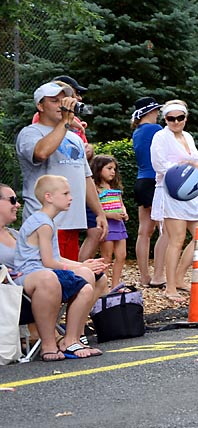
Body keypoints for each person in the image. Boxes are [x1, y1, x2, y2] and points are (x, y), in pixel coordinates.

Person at [14, 175, 108, 360]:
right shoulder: (43, 223)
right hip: (29, 274)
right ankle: (62, 341)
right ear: (49, 197)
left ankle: (72, 338)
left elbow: (55, 258)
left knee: (86, 274)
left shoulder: (47, 221)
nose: (70, 197)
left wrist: (82, 265)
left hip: (42, 269)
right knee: (77, 277)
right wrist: (74, 268)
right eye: (65, 193)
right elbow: (48, 262)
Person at [16, 82, 108, 265]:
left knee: (68, 281)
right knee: (50, 277)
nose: (62, 105)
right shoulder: (30, 133)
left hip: (72, 221)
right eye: (54, 101)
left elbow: (85, 176)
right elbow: (41, 152)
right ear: (40, 106)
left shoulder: (74, 137)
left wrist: (100, 212)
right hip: (45, 222)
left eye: (64, 100)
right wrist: (66, 123)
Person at [150, 100, 198, 304]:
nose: (175, 122)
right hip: (171, 191)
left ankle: (180, 277)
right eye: (170, 118)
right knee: (176, 238)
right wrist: (187, 167)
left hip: (190, 192)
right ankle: (170, 287)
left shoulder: (188, 136)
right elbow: (159, 165)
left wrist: (193, 167)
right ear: (165, 119)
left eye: (180, 118)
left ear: (185, 118)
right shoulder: (160, 137)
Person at [131, 97, 166, 288]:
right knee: (165, 228)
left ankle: (144, 276)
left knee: (144, 231)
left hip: (141, 180)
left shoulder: (137, 132)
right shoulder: (156, 130)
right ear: (149, 112)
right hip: (156, 181)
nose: (158, 114)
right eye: (156, 111)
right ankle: (160, 274)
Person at [91, 155, 129, 289]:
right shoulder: (95, 188)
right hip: (107, 225)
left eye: (114, 169)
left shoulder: (113, 187)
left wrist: (124, 212)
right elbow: (95, 210)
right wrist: (110, 215)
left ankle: (115, 285)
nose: (113, 171)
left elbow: (120, 203)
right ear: (99, 169)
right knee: (106, 257)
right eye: (109, 168)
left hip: (119, 225)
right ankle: (103, 287)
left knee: (121, 255)